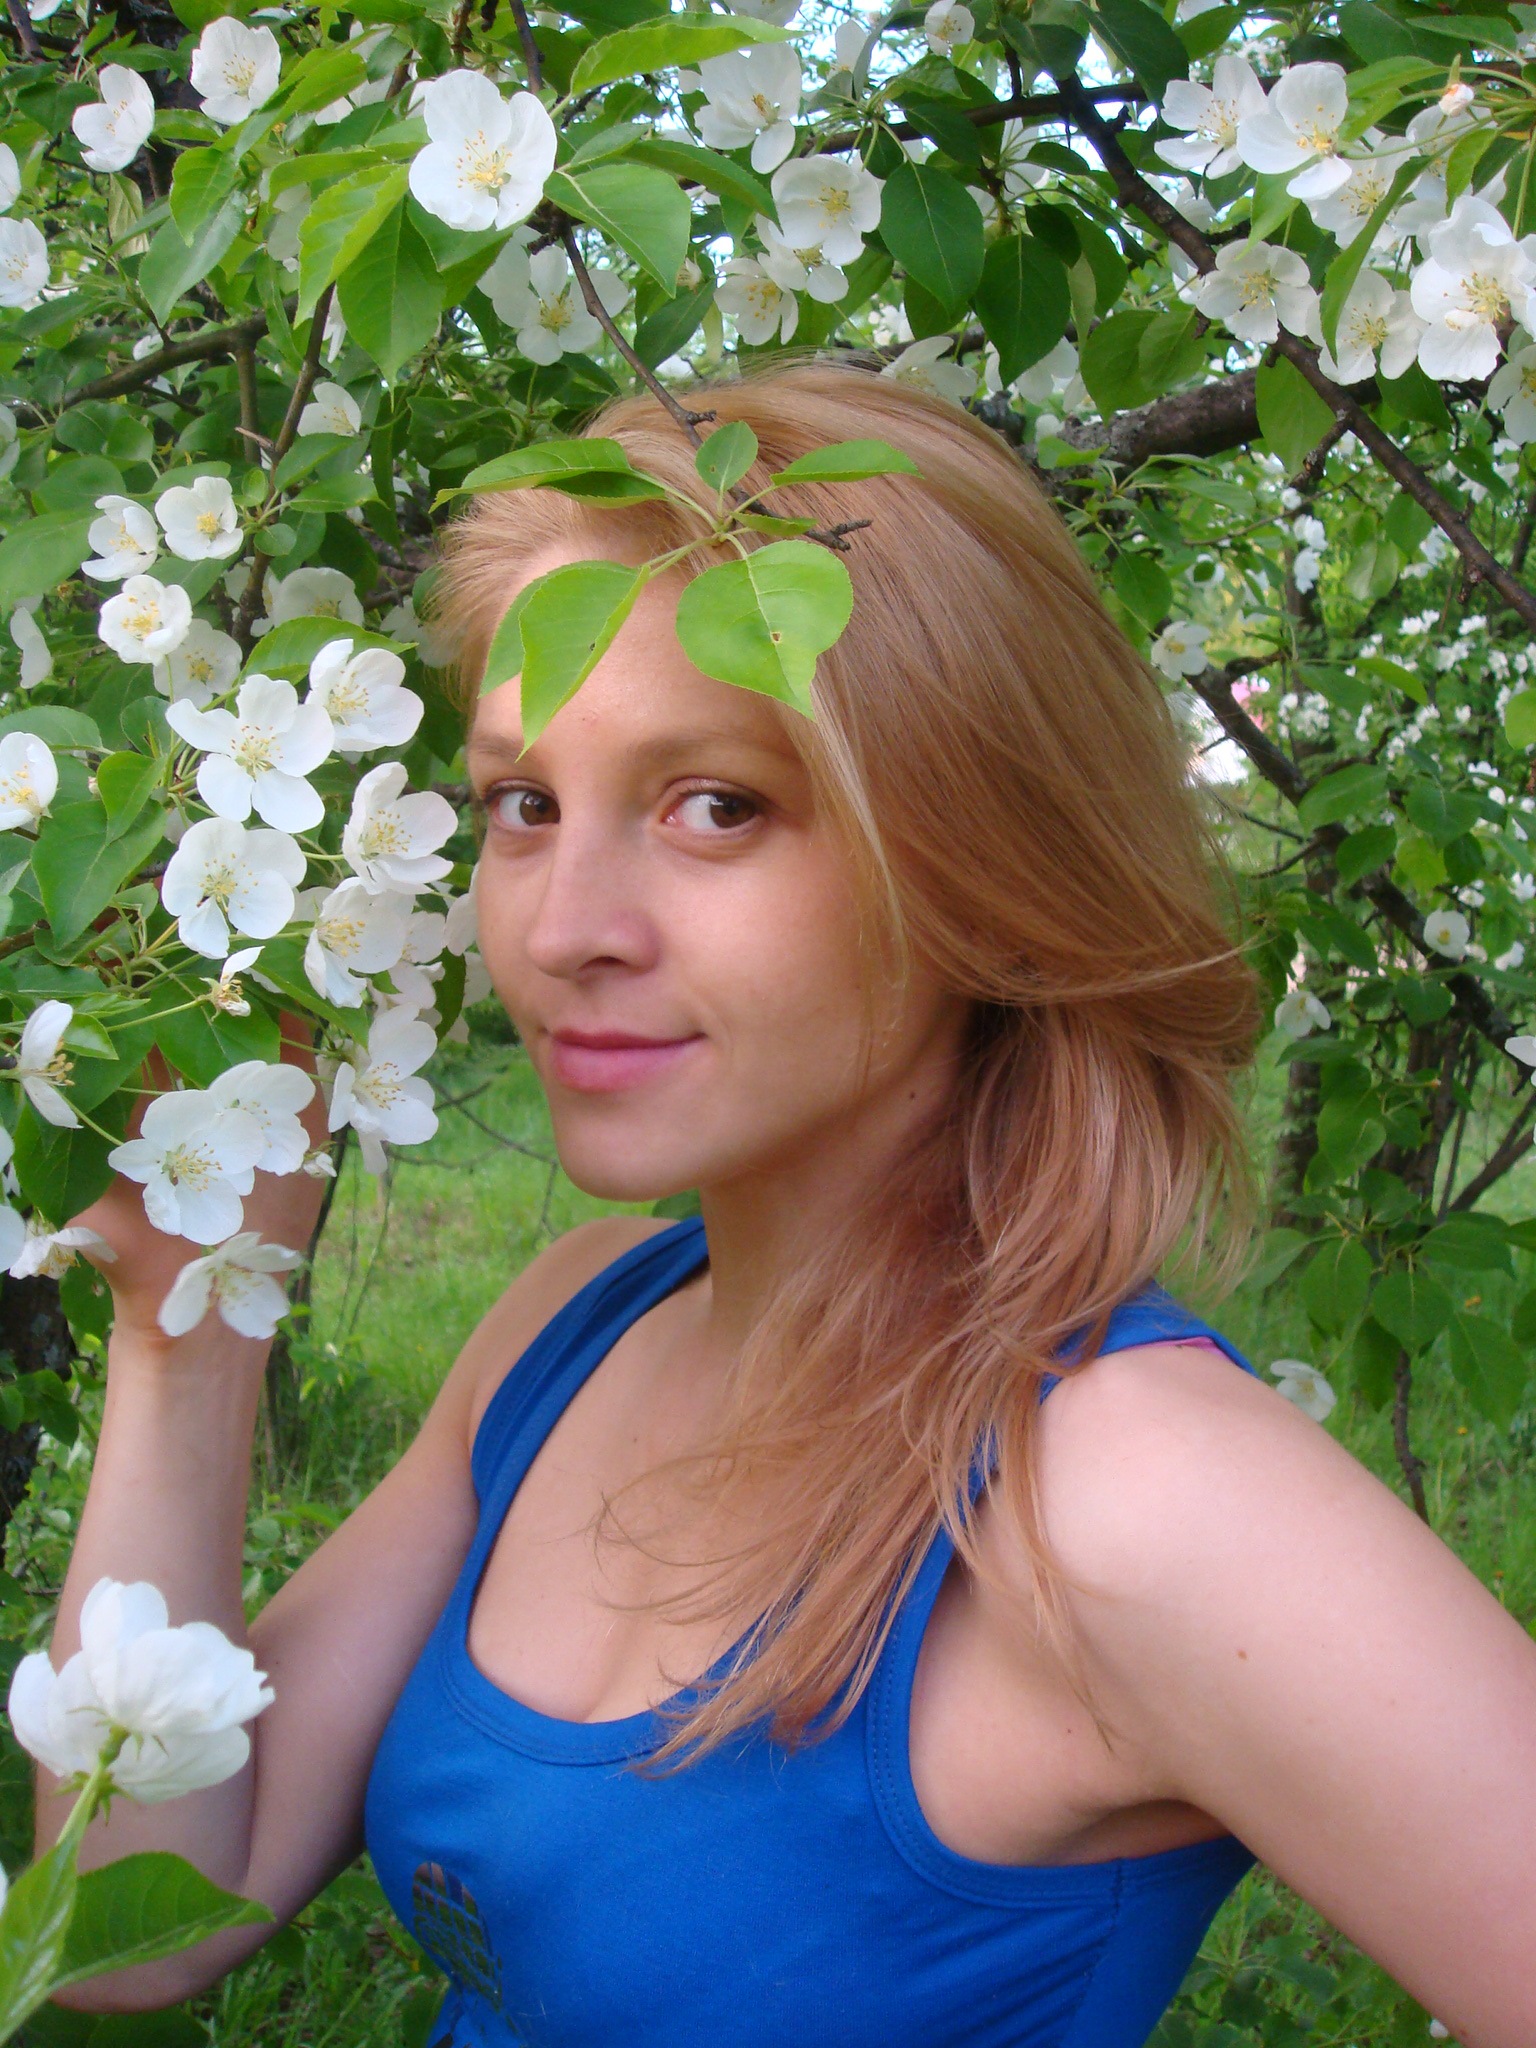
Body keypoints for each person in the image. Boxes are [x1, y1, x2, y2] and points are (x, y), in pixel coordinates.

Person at [36, 359, 1536, 2047]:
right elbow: (135, 1925)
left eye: (717, 806)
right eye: (526, 804)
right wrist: (188, 1324)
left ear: (981, 853)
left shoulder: (1137, 1497)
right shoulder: (567, 1330)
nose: (563, 928)